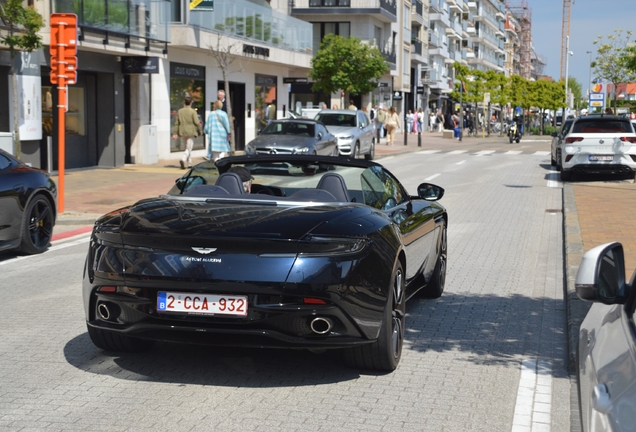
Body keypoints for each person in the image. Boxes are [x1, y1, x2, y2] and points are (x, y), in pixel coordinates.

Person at [172, 96, 202, 169]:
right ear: (191, 103)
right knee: (189, 147)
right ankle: (183, 159)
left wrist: (175, 133)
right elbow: (196, 122)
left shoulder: (180, 111)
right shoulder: (192, 111)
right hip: (190, 131)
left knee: (187, 147)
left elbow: (177, 123)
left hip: (182, 131)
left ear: (184, 103)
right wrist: (200, 130)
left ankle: (189, 163)